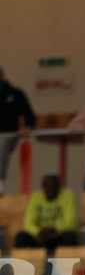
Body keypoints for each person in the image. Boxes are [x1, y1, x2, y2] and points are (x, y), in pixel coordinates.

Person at [14, 171, 79, 251]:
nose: (49, 188)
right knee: (21, 237)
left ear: (59, 186)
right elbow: (28, 223)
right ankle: (21, 263)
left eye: (52, 185)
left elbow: (70, 222)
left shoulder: (69, 196)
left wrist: (54, 229)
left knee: (69, 237)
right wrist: (38, 233)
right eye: (46, 185)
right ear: (42, 187)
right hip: (40, 237)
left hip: (58, 236)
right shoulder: (35, 196)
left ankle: (70, 263)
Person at [0, 65, 36, 194]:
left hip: (8, 134)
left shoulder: (15, 94)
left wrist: (27, 127)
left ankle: (0, 181)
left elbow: (30, 116)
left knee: (1, 145)